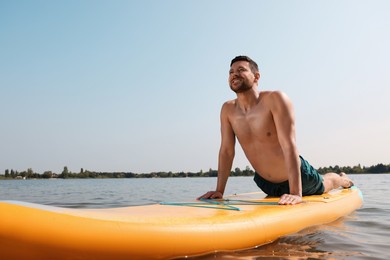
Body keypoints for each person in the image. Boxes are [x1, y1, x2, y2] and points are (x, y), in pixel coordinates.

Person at [198, 55, 354, 205]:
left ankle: (341, 179)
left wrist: (296, 193)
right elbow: (226, 151)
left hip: (300, 179)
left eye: (241, 70)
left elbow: (289, 145)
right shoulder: (227, 109)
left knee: (327, 183)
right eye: (231, 72)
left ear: (256, 77)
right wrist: (219, 191)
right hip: (265, 184)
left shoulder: (275, 99)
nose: (234, 74)